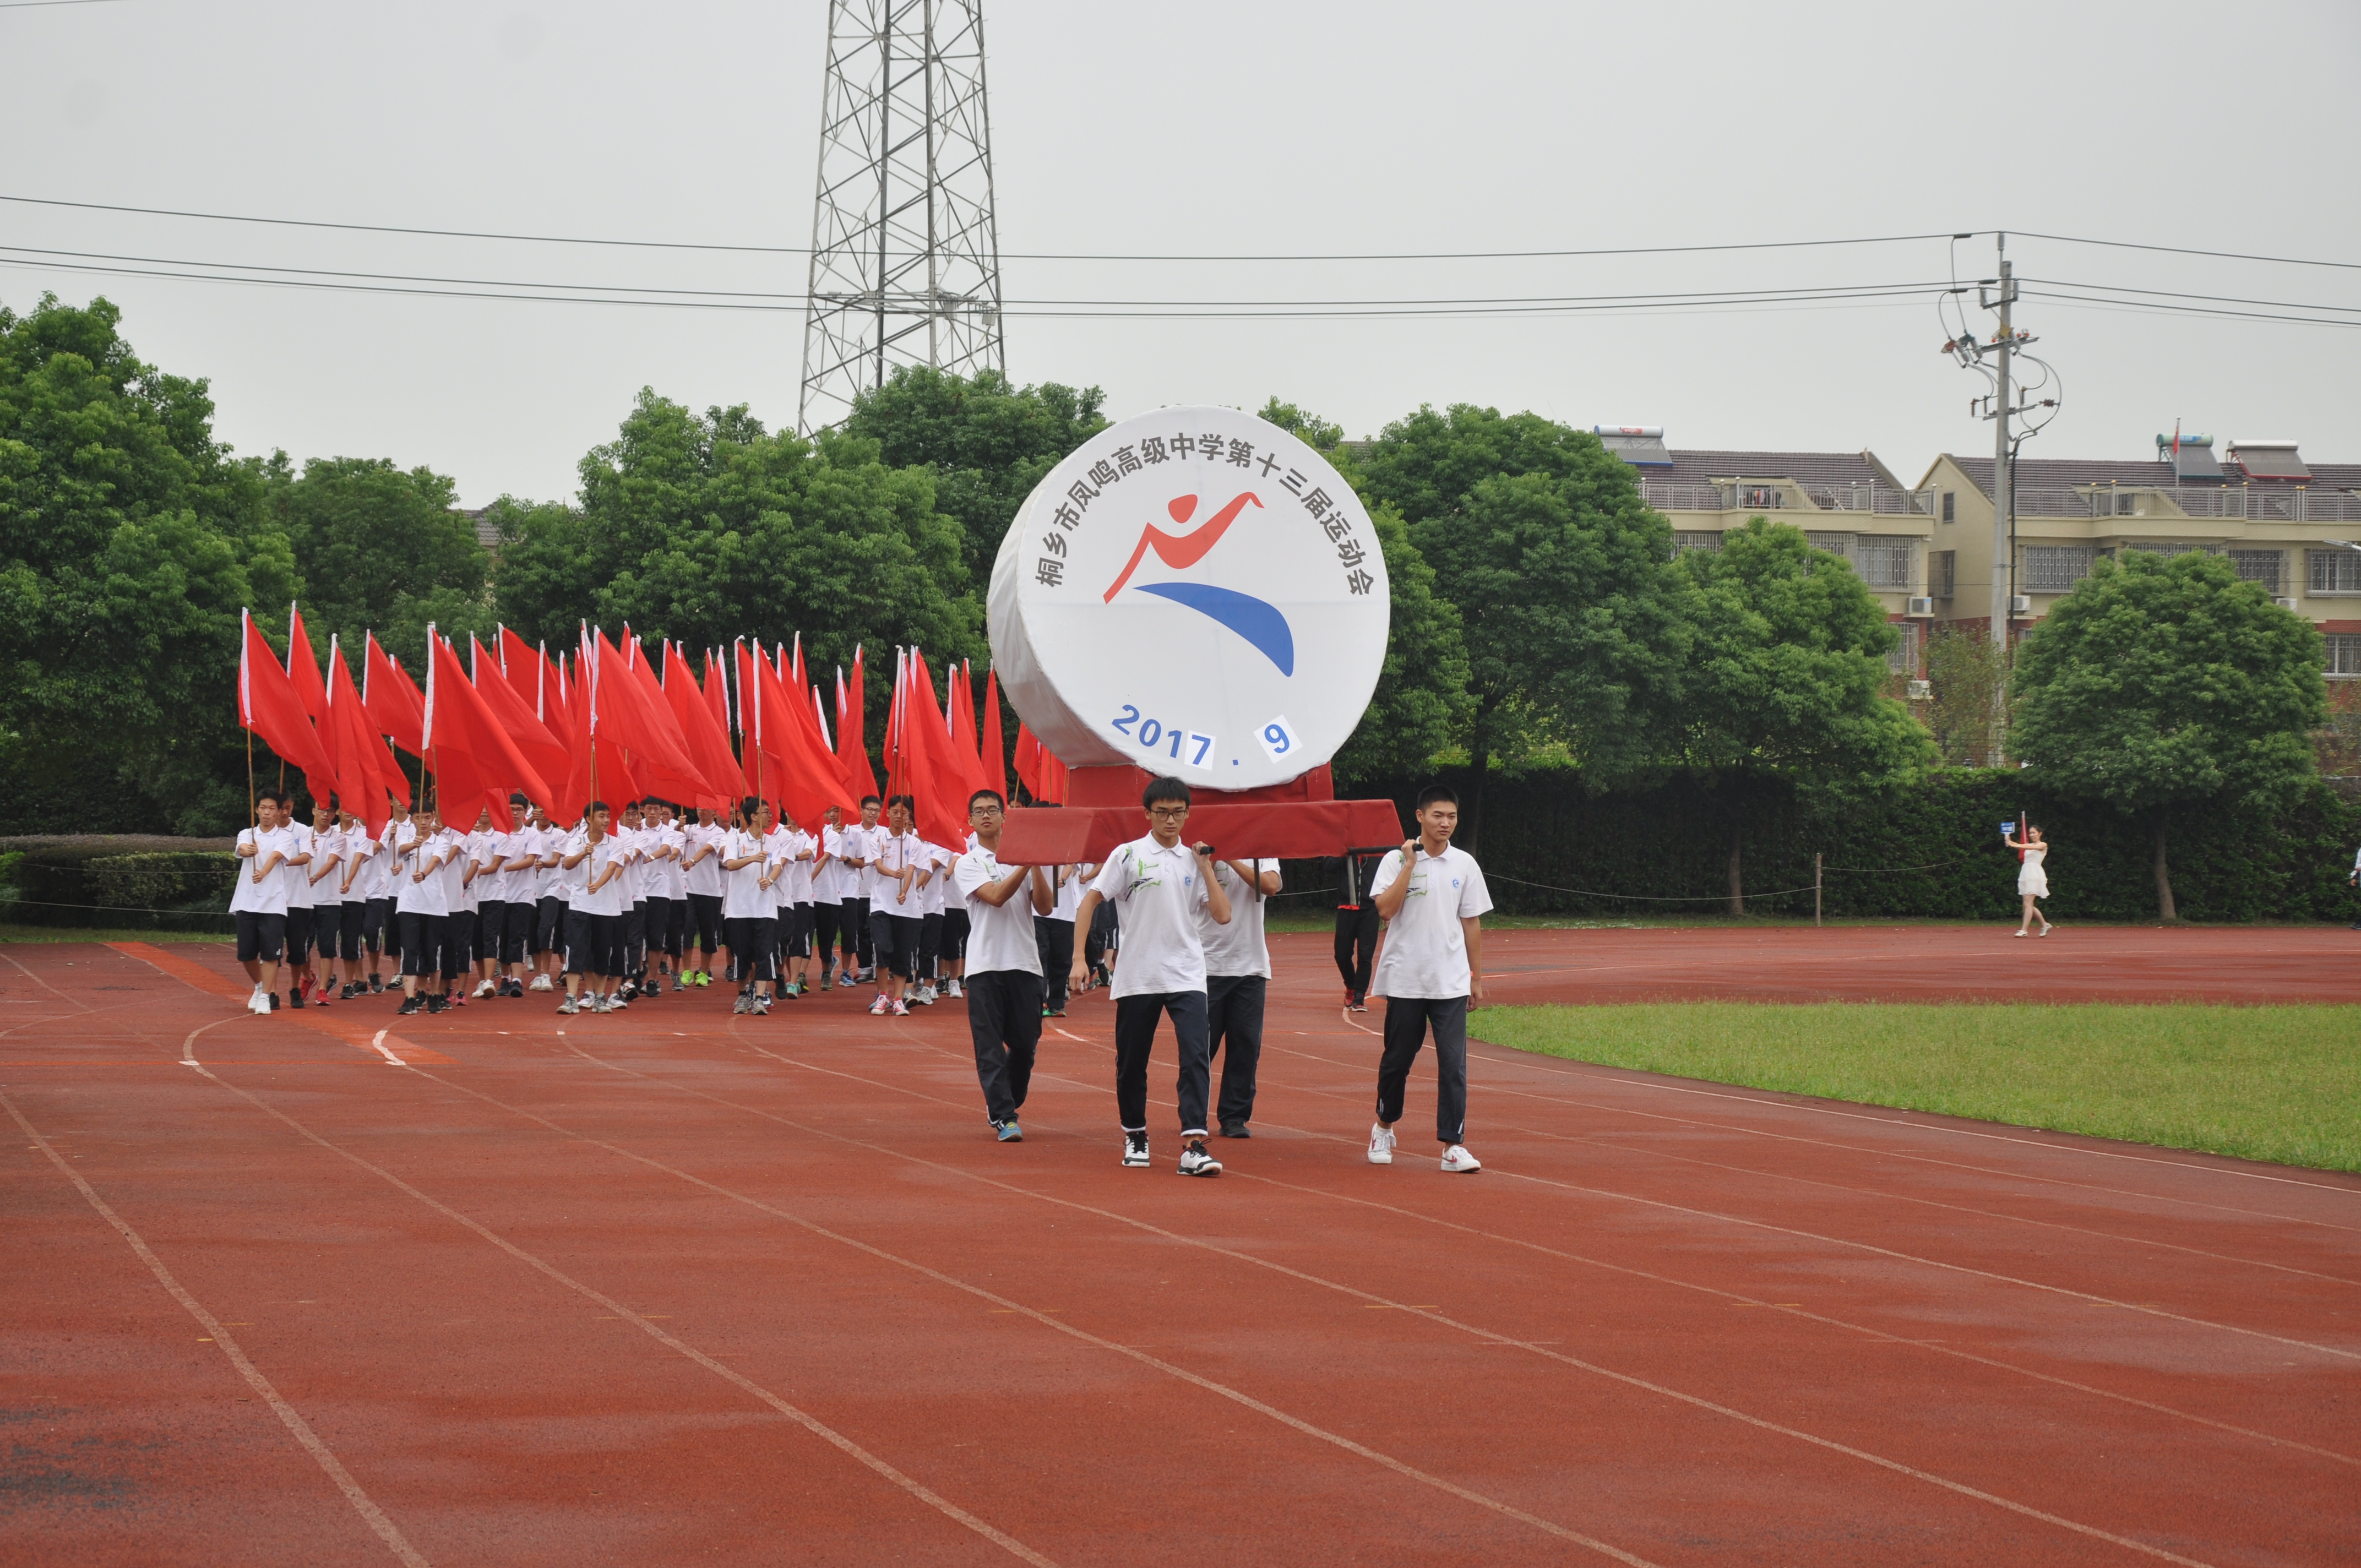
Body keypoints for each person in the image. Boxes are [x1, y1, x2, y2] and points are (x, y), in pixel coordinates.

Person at [1068, 776, 1233, 1176]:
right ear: (1148, 814)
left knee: (1196, 1055)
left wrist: (1205, 866)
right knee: (1132, 1061)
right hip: (1139, 974)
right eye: (1162, 813)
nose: (1171, 820)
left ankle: (1193, 1144)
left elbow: (1223, 914)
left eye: (1178, 812)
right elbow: (1090, 901)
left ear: (1187, 814)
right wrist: (1078, 958)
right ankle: (1136, 1133)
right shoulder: (1127, 855)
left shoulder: (1194, 861)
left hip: (1186, 973)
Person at [1366, 785, 1490, 1174]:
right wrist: (1409, 865)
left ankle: (1453, 1145)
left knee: (1454, 1065)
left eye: (1452, 816)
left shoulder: (1465, 865)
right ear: (1420, 816)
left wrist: (1475, 977)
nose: (1446, 823)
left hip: (1450, 981)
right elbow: (1384, 910)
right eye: (1438, 815)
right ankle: (1384, 1126)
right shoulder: (1393, 860)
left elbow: (1471, 923)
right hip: (1406, 978)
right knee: (1398, 1060)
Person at [955, 789, 1054, 1141]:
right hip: (985, 965)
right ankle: (1004, 1115)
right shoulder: (967, 863)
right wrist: (1025, 863)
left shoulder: (1024, 859)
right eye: (979, 811)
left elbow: (1045, 907)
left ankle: (1006, 1100)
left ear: (1004, 817)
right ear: (970, 820)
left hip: (1025, 963)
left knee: (1026, 1043)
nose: (986, 816)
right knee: (990, 1045)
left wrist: (1035, 865)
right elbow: (995, 898)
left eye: (993, 810)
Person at [1202, 854, 1281, 1139]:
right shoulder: (1198, 850)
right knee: (1200, 1046)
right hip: (1206, 965)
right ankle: (1194, 1112)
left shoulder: (1262, 852)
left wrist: (1233, 857)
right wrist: (1210, 859)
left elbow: (1271, 886)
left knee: (1246, 1044)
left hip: (1251, 966)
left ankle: (1234, 1116)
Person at [230, 790, 296, 1015]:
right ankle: (258, 986)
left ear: (279, 812)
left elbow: (277, 856)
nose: (267, 813)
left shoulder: (284, 836)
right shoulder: (246, 834)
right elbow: (241, 849)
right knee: (246, 954)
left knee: (271, 954)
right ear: (257, 810)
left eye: (272, 809)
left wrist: (264, 872)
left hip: (273, 903)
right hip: (246, 900)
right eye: (263, 808)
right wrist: (247, 850)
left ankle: (267, 996)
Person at [559, 801, 628, 1014]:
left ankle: (600, 997)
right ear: (589, 819)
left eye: (607, 816)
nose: (606, 820)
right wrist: (584, 853)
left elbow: (611, 868)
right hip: (580, 905)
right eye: (601, 816)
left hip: (606, 908)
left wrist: (597, 886)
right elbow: (567, 863)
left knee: (602, 952)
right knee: (576, 951)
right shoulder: (576, 841)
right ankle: (571, 997)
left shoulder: (615, 843)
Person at [866, 796, 924, 1016]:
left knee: (903, 954)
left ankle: (898, 998)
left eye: (905, 813)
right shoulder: (878, 840)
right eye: (896, 812)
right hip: (882, 904)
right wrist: (893, 874)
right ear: (888, 813)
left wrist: (904, 891)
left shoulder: (914, 843)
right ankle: (883, 995)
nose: (900, 817)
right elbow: (878, 865)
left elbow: (911, 869)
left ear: (910, 816)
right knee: (883, 949)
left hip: (906, 908)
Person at [391, 802, 451, 1016]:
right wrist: (413, 845)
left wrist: (424, 874)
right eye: (418, 818)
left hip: (434, 905)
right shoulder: (405, 839)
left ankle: (434, 994)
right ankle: (409, 997)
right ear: (412, 818)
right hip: (409, 903)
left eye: (427, 818)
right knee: (410, 950)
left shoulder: (441, 842)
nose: (423, 823)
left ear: (433, 817)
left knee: (431, 951)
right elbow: (400, 850)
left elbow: (436, 861)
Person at [721, 797, 779, 1016]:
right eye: (765, 812)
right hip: (739, 908)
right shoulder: (735, 839)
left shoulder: (773, 842)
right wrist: (753, 858)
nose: (770, 815)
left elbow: (778, 866)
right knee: (742, 953)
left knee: (764, 952)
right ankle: (743, 994)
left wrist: (770, 880)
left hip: (764, 908)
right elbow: (730, 865)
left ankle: (760, 997)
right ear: (753, 816)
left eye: (770, 811)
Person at [301, 798, 346, 1008]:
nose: (325, 815)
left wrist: (315, 877)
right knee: (301, 947)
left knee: (327, 947)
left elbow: (332, 861)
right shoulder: (302, 834)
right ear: (313, 811)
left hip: (329, 900)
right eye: (322, 810)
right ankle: (308, 977)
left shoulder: (338, 837)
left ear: (335, 814)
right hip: (304, 900)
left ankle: (322, 989)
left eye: (330, 811)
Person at [1334, 847, 1387, 1011]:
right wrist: (1345, 853)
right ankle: (1350, 986)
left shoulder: (1378, 851)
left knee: (1365, 956)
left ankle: (1359, 997)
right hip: (1346, 907)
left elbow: (1388, 878)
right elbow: (1328, 866)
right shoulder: (1343, 847)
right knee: (1342, 954)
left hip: (1369, 909)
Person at [681, 804, 725, 987]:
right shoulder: (688, 829)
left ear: (715, 812)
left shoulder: (719, 833)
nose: (702, 811)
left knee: (708, 934)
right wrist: (678, 827)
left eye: (706, 808)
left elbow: (707, 849)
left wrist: (692, 861)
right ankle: (686, 970)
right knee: (687, 930)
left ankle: (704, 971)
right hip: (687, 888)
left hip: (710, 890)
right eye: (699, 808)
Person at [841, 794, 883, 984]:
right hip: (857, 890)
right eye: (870, 810)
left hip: (878, 890)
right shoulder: (852, 832)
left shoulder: (884, 833)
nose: (873, 813)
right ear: (862, 810)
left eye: (877, 811)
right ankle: (865, 967)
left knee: (877, 931)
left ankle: (881, 966)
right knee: (860, 931)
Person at [811, 803, 849, 990]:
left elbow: (825, 857)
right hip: (804, 897)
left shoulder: (832, 835)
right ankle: (799, 977)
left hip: (827, 895)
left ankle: (827, 971)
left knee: (826, 940)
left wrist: (809, 879)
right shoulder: (801, 834)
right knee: (803, 936)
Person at [1035, 863, 1080, 1017]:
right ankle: (1039, 1001)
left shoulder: (1068, 843)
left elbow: (1072, 862)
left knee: (1062, 958)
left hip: (1065, 911)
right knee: (1040, 956)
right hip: (1038, 910)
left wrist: (1062, 878)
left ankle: (1057, 1003)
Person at [2006, 823, 2053, 938]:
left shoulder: (2043, 844)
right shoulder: (2028, 845)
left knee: (2028, 904)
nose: (2032, 835)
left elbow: (2030, 847)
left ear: (2040, 833)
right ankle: (2045, 925)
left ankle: (2024, 930)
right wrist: (2009, 840)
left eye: (2034, 833)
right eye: (2030, 833)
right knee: (2027, 905)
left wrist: (2016, 845)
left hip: (2035, 874)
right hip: (2026, 874)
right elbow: (2025, 846)